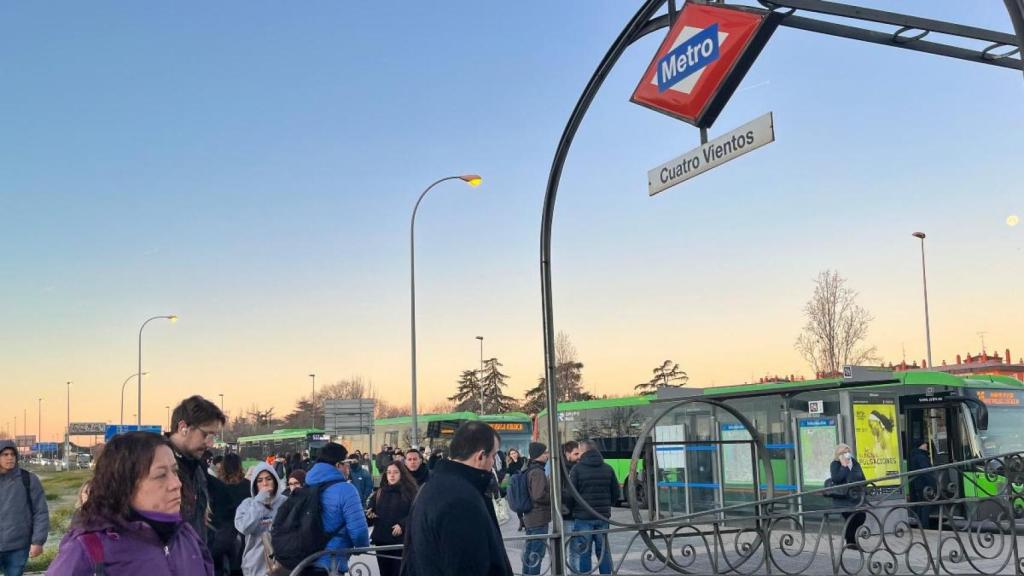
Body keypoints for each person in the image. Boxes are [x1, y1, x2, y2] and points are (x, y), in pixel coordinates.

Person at [47, 431, 214, 575]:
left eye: (175, 471)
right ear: (124, 484)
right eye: (160, 475)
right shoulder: (86, 551)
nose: (176, 483)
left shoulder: (186, 536)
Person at [400, 421, 514, 576]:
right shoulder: (461, 501)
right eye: (493, 456)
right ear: (480, 456)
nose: (494, 462)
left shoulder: (431, 486)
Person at [166, 395, 227, 539]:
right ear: (183, 427)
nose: (210, 443)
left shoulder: (197, 469)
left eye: (213, 437)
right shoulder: (156, 467)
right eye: (206, 434)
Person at [304, 442, 369, 575]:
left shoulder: (307, 485)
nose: (348, 468)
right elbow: (359, 533)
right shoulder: (346, 490)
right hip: (331, 563)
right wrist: (362, 547)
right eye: (347, 463)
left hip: (304, 561)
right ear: (338, 465)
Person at [567, 440, 620, 575]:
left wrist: (573, 510)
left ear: (583, 451)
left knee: (584, 551)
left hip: (583, 517)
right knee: (603, 551)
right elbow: (616, 493)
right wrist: (606, 506)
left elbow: (571, 495)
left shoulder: (576, 469)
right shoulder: (608, 468)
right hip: (602, 516)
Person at [0, 440, 49, 576]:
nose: (10, 457)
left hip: (18, 546)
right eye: (5, 454)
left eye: (12, 454)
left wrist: (38, 541)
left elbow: (40, 512)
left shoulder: (28, 479)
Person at [234, 462, 287, 576]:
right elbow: (244, 528)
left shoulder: (285, 502)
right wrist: (259, 501)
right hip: (255, 568)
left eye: (268, 479)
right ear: (254, 484)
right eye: (260, 480)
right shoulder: (248, 504)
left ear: (275, 480)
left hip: (281, 567)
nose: (265, 483)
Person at [366, 461, 417, 576]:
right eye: (389, 472)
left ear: (402, 474)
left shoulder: (411, 492)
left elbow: (416, 514)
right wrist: (370, 514)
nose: (392, 475)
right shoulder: (379, 492)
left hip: (401, 542)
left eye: (395, 472)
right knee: (384, 572)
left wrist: (402, 525)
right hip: (382, 540)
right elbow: (370, 513)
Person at [209, 453, 251, 576]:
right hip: (243, 536)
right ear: (240, 466)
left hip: (220, 537)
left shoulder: (217, 486)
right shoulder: (247, 485)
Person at [830, 443, 867, 550]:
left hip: (856, 497)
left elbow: (863, 478)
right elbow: (836, 479)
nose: (846, 454)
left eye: (847, 451)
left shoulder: (855, 463)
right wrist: (844, 466)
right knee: (850, 518)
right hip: (844, 498)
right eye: (843, 452)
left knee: (861, 517)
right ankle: (851, 542)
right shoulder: (835, 464)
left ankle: (851, 539)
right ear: (838, 454)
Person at [521, 443, 550, 576]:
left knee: (530, 551)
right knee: (536, 553)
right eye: (545, 453)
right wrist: (554, 497)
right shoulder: (538, 472)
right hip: (538, 517)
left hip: (530, 517)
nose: (547, 455)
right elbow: (538, 496)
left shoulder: (528, 469)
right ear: (539, 455)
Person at [907, 438, 936, 529]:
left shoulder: (915, 455)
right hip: (924, 485)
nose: (926, 445)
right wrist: (934, 485)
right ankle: (924, 526)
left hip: (918, 485)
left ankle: (921, 526)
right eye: (924, 444)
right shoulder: (921, 457)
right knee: (925, 506)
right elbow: (927, 472)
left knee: (921, 506)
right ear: (920, 446)